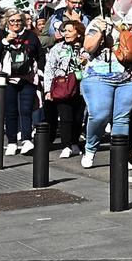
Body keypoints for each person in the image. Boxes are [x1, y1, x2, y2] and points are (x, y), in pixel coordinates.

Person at [78, 5, 132, 169]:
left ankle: (119, 156)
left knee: (122, 118)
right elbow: (88, 47)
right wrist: (100, 32)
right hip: (98, 76)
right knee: (100, 114)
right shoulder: (98, 21)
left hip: (128, 77)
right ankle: (90, 148)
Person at [0, 9, 44, 155]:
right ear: (7, 22)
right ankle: (12, 142)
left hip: (27, 78)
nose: (16, 24)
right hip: (7, 79)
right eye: (12, 21)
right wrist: (5, 41)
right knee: (10, 112)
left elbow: (40, 55)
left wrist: (41, 72)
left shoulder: (31, 36)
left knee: (26, 109)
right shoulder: (0, 34)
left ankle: (26, 139)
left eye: (19, 21)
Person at [42, 20, 86, 158]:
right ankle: (66, 145)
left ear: (78, 33)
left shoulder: (86, 48)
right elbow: (49, 68)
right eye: (64, 31)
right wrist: (48, 90)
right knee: (66, 116)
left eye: (69, 31)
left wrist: (85, 61)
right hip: (63, 85)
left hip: (81, 86)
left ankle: (74, 142)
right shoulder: (58, 48)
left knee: (78, 117)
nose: (66, 34)